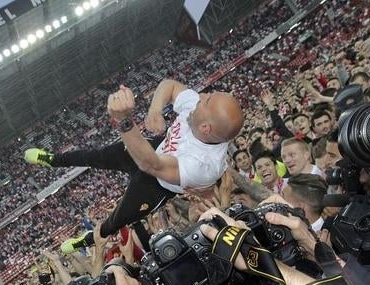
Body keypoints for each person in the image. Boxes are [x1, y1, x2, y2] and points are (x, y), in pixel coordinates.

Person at [24, 79, 244, 248]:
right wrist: (155, 110)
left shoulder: (205, 164)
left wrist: (122, 121)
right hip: (156, 149)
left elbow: (151, 166)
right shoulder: (198, 112)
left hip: (156, 185)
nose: (202, 95)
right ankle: (53, 160)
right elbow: (169, 85)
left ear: (205, 128)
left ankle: (88, 240)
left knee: (119, 218)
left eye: (206, 100)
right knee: (97, 156)